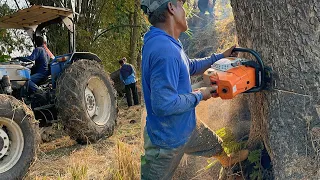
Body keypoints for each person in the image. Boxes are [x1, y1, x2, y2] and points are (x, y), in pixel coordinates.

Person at [140, 0, 249, 179]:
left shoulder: (167, 42)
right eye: (181, 6)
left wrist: (220, 57)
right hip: (165, 142)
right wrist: (201, 94)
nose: (185, 11)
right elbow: (163, 105)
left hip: (187, 127)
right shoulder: (163, 50)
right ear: (171, 7)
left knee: (215, 145)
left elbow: (188, 66)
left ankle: (227, 161)